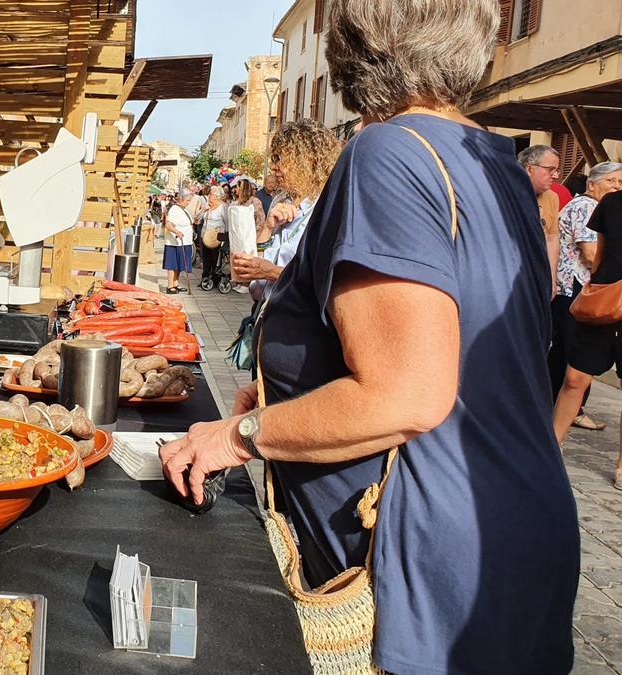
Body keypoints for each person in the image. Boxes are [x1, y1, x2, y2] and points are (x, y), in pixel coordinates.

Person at [160, 1, 578, 672]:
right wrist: (289, 406)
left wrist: (238, 436)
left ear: (358, 40)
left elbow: (407, 394)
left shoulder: (387, 152)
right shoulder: (495, 164)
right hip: (516, 529)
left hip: (423, 558)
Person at [231, 121, 339, 304]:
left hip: (298, 324)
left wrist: (271, 272)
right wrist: (267, 228)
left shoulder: (328, 208)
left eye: (279, 158)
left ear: (307, 160)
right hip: (264, 315)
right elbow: (255, 267)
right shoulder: (282, 200)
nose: (273, 167)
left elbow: (326, 280)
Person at [553, 180, 622, 465]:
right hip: (605, 299)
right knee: (574, 378)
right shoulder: (612, 203)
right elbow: (599, 256)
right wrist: (600, 289)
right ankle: (551, 449)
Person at [518, 145, 561, 296]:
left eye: (556, 170)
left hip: (536, 277)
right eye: (550, 169)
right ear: (529, 169)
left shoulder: (552, 197)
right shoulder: (505, 193)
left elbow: (552, 237)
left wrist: (552, 279)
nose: (556, 176)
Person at [198, 184, 230, 291]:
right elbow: (197, 218)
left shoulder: (223, 207)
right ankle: (205, 278)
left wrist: (225, 236)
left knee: (215, 258)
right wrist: (203, 210)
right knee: (205, 258)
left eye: (211, 194)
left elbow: (227, 223)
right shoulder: (207, 206)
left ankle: (214, 279)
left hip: (217, 237)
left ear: (217, 196)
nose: (209, 196)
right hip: (205, 235)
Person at [162, 188, 194, 294]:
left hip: (184, 242)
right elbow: (168, 224)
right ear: (180, 199)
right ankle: (170, 285)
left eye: (189, 201)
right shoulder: (174, 209)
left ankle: (176, 283)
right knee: (172, 264)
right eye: (187, 200)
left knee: (179, 264)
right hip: (175, 242)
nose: (188, 202)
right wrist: (177, 232)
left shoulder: (183, 209)